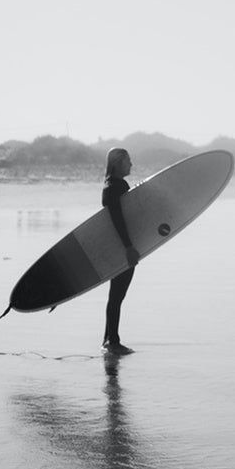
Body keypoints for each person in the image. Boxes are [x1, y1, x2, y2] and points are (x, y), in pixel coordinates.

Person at [102, 148, 140, 355]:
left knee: (115, 297)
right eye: (128, 161)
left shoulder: (110, 186)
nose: (131, 165)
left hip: (117, 247)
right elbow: (118, 220)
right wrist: (128, 247)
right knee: (116, 297)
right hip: (122, 248)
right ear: (118, 163)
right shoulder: (117, 187)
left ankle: (108, 340)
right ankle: (113, 342)